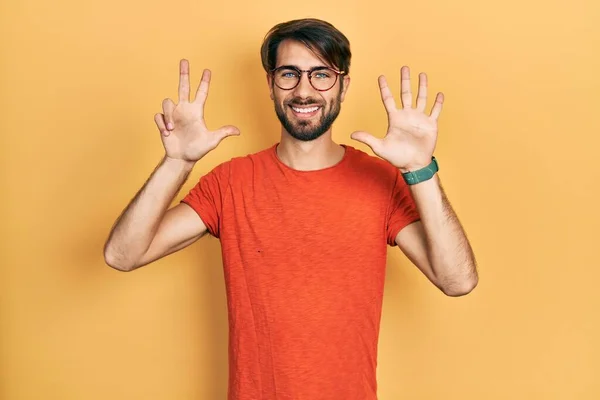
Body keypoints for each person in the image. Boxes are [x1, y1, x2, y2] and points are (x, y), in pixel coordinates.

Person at [104, 18, 478, 400]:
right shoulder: (230, 183)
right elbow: (122, 254)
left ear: (343, 85)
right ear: (270, 84)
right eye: (289, 74)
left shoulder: (379, 183)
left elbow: (457, 280)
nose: (304, 91)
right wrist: (178, 162)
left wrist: (419, 169)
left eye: (321, 75)